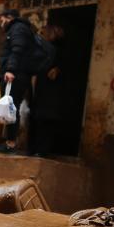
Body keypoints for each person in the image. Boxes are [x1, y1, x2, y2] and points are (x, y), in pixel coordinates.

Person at [0, 9, 37, 154]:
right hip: (19, 74)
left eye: (1, 20)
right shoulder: (21, 29)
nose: (1, 24)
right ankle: (9, 143)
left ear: (8, 18)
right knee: (11, 108)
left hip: (15, 75)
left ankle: (10, 144)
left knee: (11, 109)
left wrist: (10, 70)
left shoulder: (17, 29)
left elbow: (17, 50)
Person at [28, 25, 65, 157]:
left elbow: (57, 70)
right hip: (39, 90)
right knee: (36, 119)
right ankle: (33, 149)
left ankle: (42, 150)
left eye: (43, 34)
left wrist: (56, 70)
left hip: (50, 92)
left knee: (46, 120)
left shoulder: (57, 51)